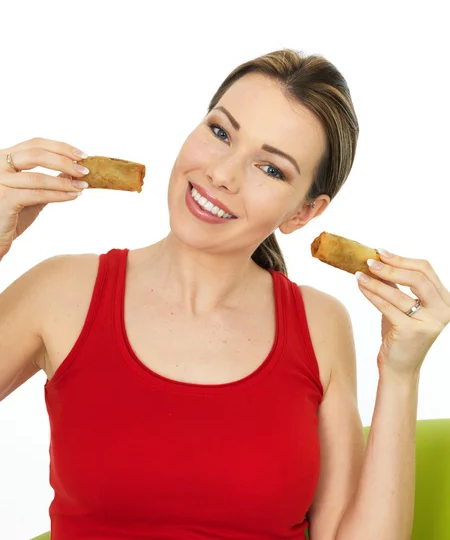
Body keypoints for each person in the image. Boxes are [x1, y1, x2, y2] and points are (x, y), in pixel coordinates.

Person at [0, 49, 448, 540]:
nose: (222, 174)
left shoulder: (319, 325)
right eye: (220, 132)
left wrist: (402, 372)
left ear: (303, 213)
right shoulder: (62, 291)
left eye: (271, 169)